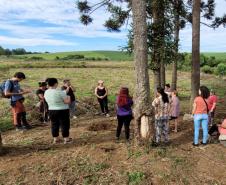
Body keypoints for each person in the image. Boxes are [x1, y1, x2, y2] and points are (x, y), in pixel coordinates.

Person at [44, 78, 72, 144]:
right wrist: (69, 97)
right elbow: (67, 101)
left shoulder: (46, 92)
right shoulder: (59, 91)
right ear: (56, 83)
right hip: (63, 110)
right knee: (64, 124)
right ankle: (66, 139)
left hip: (51, 110)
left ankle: (56, 139)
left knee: (54, 124)